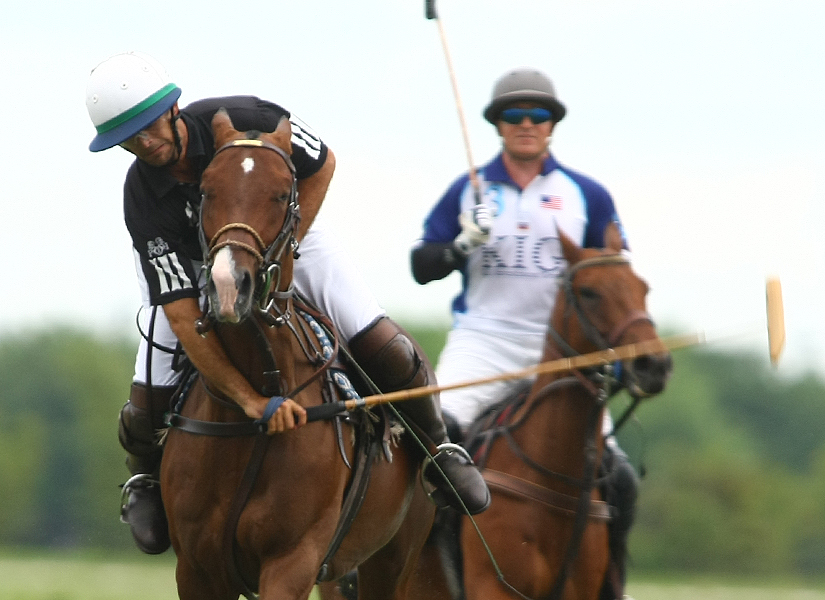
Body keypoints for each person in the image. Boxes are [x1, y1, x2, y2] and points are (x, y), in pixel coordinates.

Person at [86, 51, 490, 555]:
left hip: (285, 240)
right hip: (194, 267)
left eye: (149, 127)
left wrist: (287, 246)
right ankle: (145, 476)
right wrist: (248, 400)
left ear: (172, 110)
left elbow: (322, 163)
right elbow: (185, 318)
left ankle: (438, 448)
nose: (145, 144)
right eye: (129, 140)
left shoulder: (249, 118)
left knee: (383, 344)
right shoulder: (142, 195)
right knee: (147, 395)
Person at [410, 67, 639, 598]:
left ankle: (613, 585)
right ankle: (413, 568)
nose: (527, 123)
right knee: (431, 450)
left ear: (553, 124)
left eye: (539, 114)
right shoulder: (468, 190)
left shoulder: (587, 195)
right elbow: (421, 266)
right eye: (514, 114)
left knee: (620, 477)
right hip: (483, 343)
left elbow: (613, 280)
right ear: (498, 124)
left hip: (562, 354)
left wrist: (616, 355)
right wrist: (461, 245)